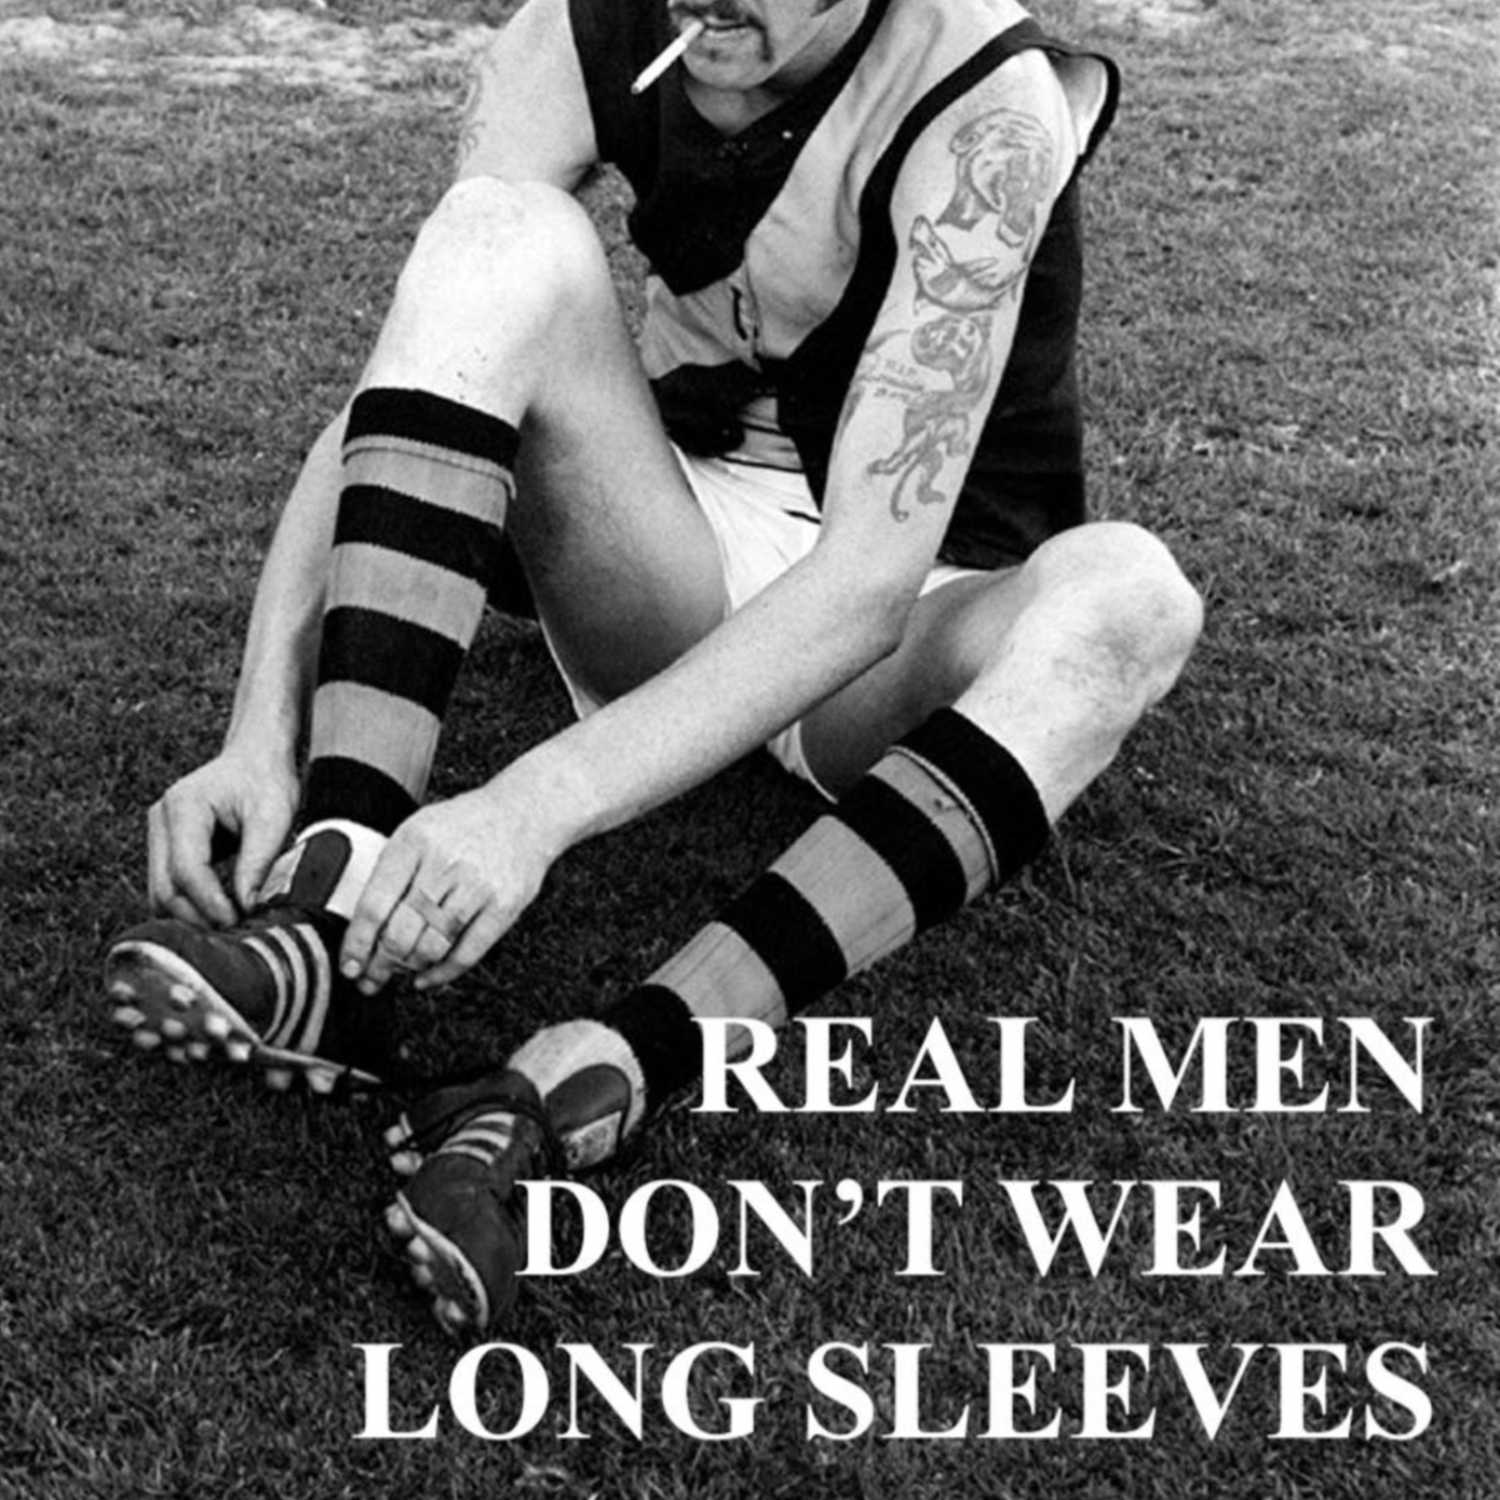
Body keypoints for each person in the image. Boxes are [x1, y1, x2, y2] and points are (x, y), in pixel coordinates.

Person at [104, 0, 1203, 1338]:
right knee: (497, 229)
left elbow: (863, 590)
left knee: (1130, 599)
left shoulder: (988, 108)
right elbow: (427, 361)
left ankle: (611, 1061)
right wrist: (256, 731)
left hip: (913, 612)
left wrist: (531, 806)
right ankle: (331, 914)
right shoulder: (580, 29)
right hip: (667, 549)